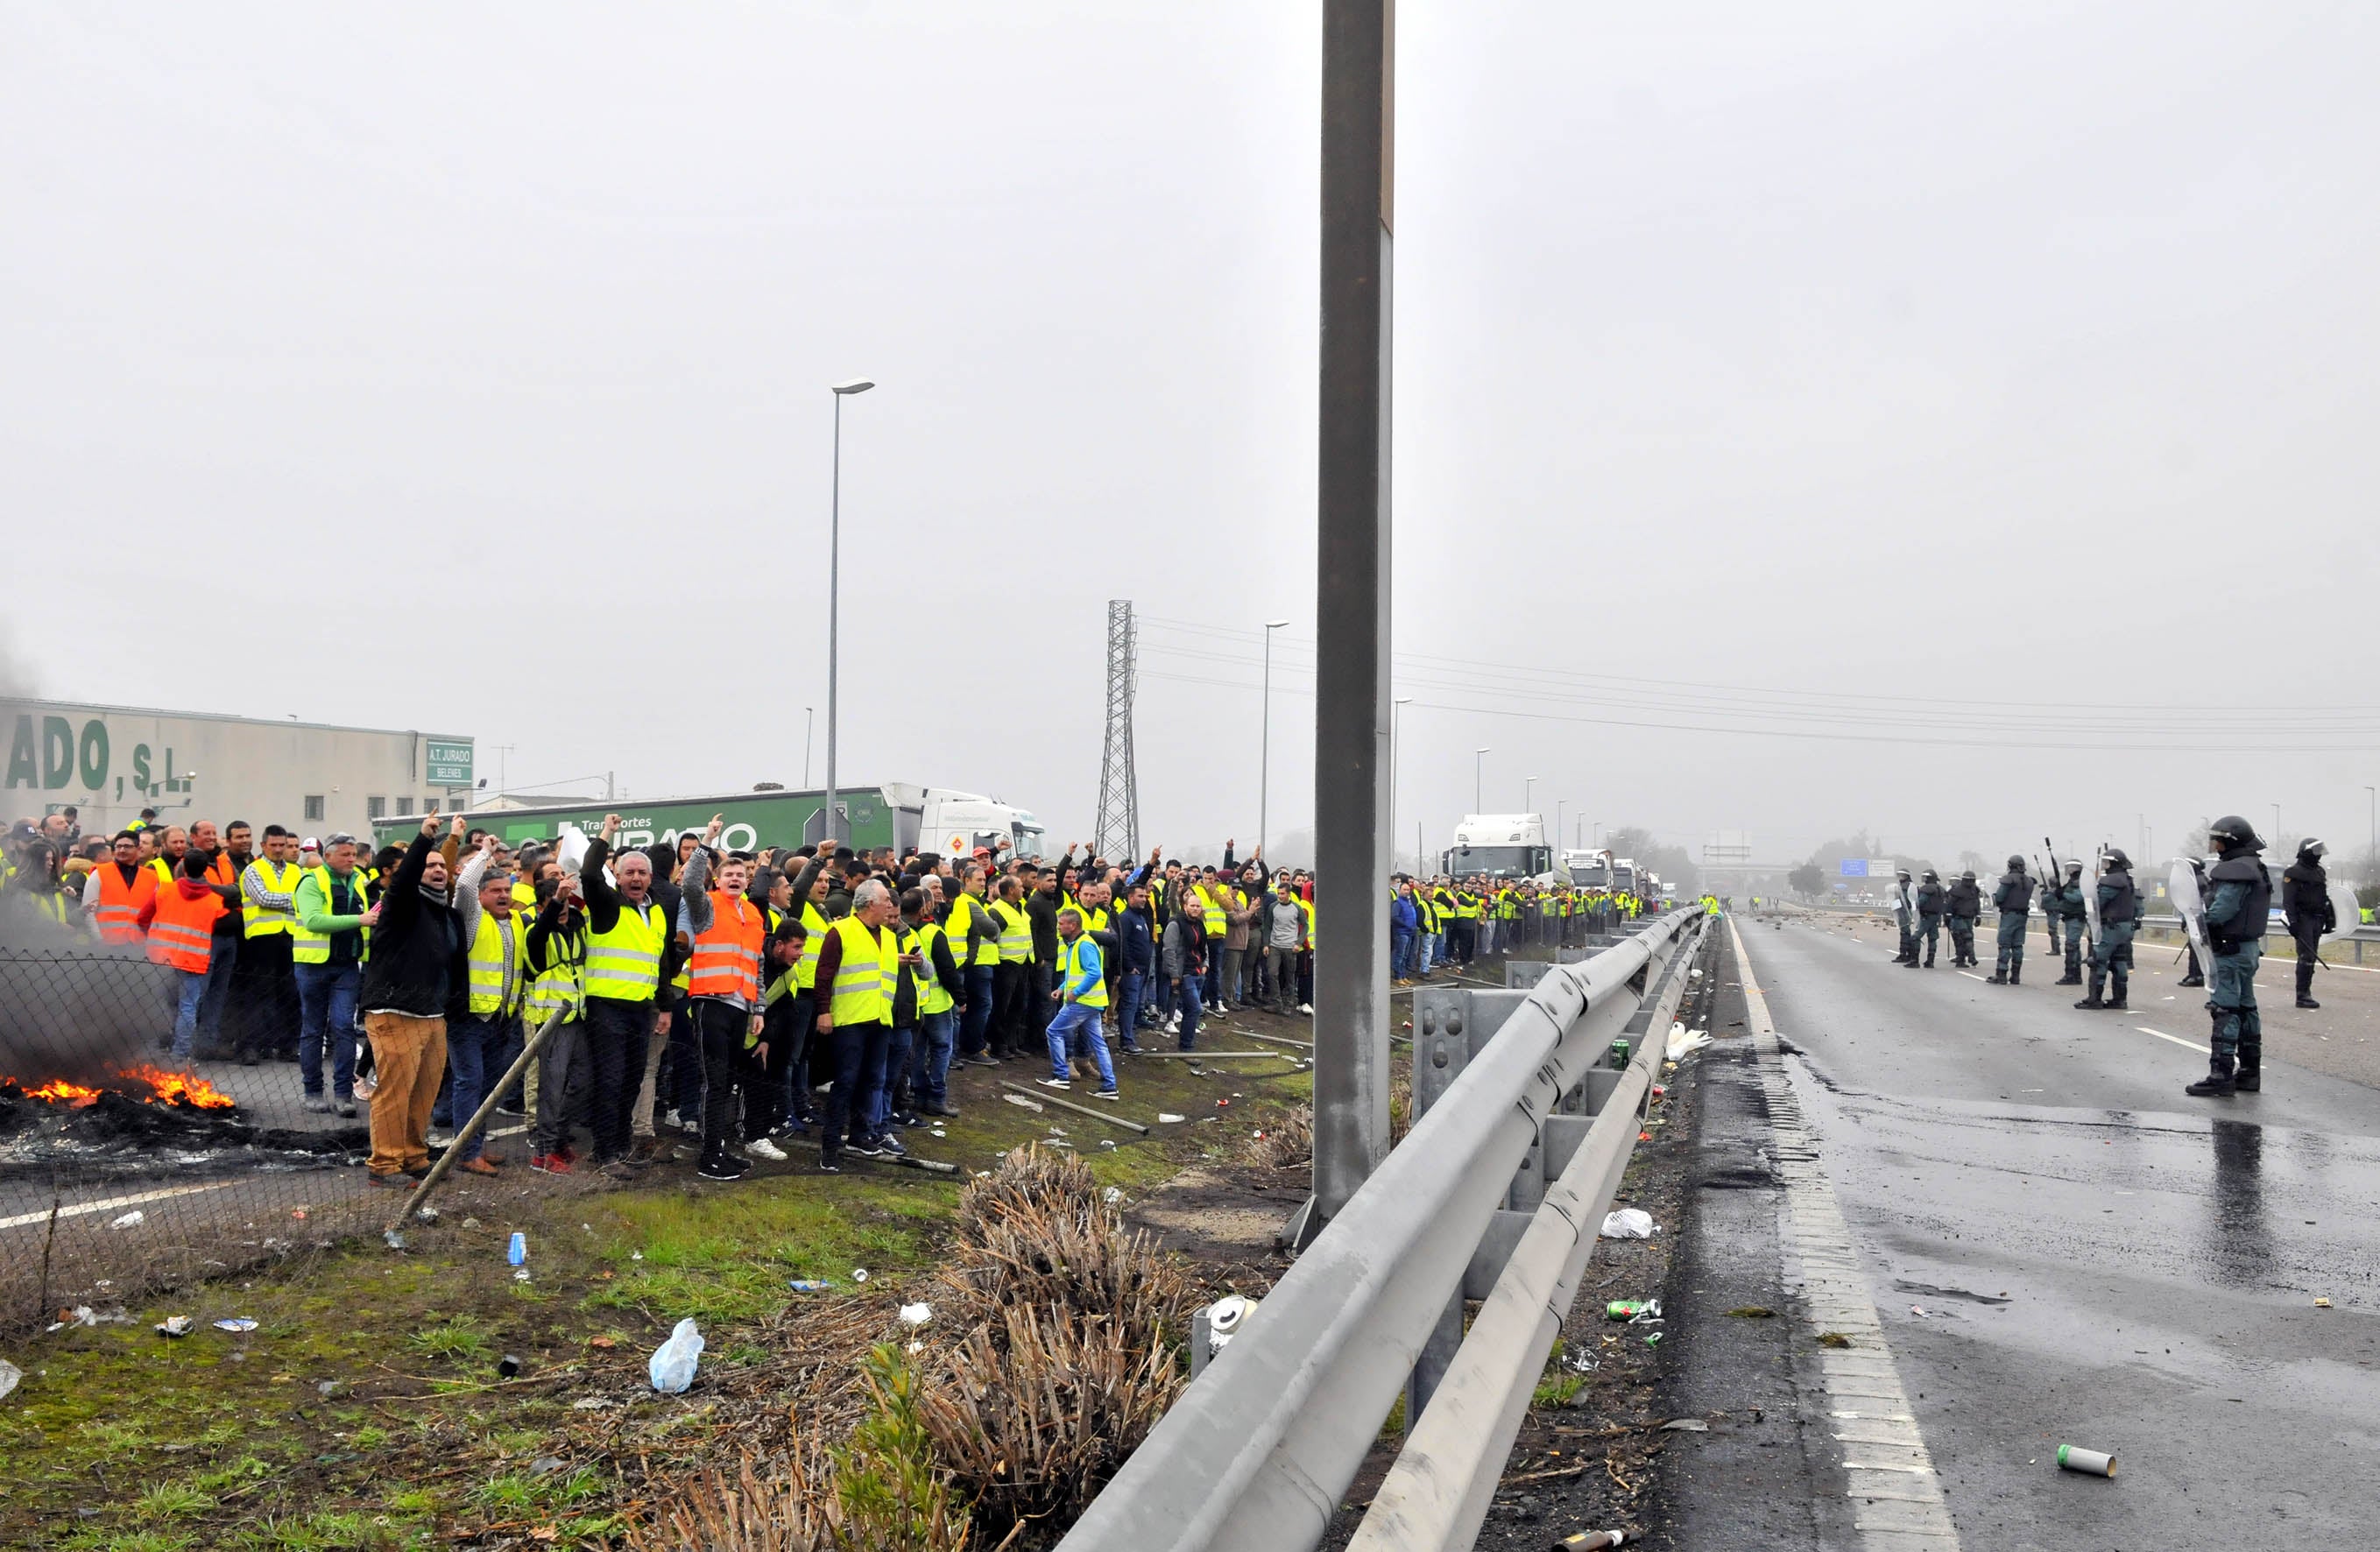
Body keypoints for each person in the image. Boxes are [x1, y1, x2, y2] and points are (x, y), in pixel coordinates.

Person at [357, 814, 465, 1185]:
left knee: (424, 1092)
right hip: (395, 1009)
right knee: (395, 1091)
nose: (438, 870)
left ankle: (414, 1156)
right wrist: (423, 841)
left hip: (433, 1013)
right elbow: (402, 882)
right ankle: (384, 1165)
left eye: (442, 866)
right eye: (429, 866)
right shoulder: (402, 903)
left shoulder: (444, 912)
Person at [579, 815, 671, 1177]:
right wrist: (607, 834)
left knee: (633, 1080)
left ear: (650, 878)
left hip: (640, 1011)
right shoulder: (607, 905)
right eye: (628, 872)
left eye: (641, 873)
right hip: (606, 1009)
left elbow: (661, 963)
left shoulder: (657, 913)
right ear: (616, 877)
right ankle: (604, 1153)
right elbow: (588, 875)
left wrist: (665, 1006)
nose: (635, 878)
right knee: (610, 1081)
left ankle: (619, 1145)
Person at [680, 817, 767, 1182]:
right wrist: (707, 842)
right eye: (728, 875)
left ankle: (719, 1148)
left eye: (740, 876)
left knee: (726, 1083)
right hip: (711, 1003)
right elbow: (687, 882)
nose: (734, 880)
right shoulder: (708, 906)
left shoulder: (753, 914)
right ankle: (708, 1156)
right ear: (717, 879)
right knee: (714, 1082)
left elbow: (757, 964)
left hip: (740, 1007)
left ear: (747, 881)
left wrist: (758, 1009)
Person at [448, 836, 528, 1175]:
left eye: (507, 891)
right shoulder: (472, 918)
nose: (504, 896)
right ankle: (467, 1152)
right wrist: (485, 853)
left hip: (500, 1018)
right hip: (469, 1018)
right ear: (481, 896)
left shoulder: (514, 923)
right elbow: (464, 884)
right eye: (495, 891)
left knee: (485, 1086)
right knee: (469, 1082)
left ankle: (477, 1144)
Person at [811, 879, 899, 1172]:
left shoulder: (888, 936)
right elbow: (823, 975)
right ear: (869, 904)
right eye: (886, 900)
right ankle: (830, 1144)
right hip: (850, 1020)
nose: (890, 905)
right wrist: (824, 1011)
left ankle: (860, 1136)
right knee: (846, 1082)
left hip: (880, 1018)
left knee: (872, 1081)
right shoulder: (840, 932)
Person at [291, 833, 377, 1117]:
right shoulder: (311, 881)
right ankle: (313, 1091)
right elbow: (314, 920)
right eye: (345, 855)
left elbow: (366, 916)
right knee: (314, 1030)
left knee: (343, 1027)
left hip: (347, 965)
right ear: (328, 856)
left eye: (353, 855)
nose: (351, 859)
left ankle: (343, 1094)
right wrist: (360, 920)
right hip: (313, 964)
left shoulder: (356, 881)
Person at [2189, 816, 2272, 1098]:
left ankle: (2220, 1076)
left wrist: (2200, 923)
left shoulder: (2235, 870)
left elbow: (2222, 910)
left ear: (2231, 840)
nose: (2215, 845)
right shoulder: (2253, 866)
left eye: (2218, 840)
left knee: (2225, 1010)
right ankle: (2249, 1074)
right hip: (2247, 949)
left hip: (2230, 950)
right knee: (2247, 1008)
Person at [525, 869, 592, 1174]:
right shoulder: (535, 932)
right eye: (556, 905)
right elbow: (540, 936)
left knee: (582, 1084)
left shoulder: (578, 928)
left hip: (578, 1017)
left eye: (566, 905)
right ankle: (543, 1153)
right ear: (542, 907)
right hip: (551, 1019)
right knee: (551, 1089)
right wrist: (557, 902)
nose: (563, 911)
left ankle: (559, 1139)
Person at [139, 850, 225, 1063]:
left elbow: (142, 918)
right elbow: (215, 927)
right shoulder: (216, 901)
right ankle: (181, 1053)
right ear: (206, 870)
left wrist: (151, 938)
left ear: (184, 867)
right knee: (187, 1007)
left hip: (160, 958)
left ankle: (151, 1050)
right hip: (193, 961)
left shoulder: (165, 890)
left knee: (157, 1004)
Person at [236, 824, 306, 1064]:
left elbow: (306, 900)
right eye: (273, 845)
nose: (278, 849)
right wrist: (295, 900)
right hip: (261, 940)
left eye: (282, 845)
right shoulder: (253, 870)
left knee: (290, 994)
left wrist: (294, 901)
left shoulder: (297, 871)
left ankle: (287, 1046)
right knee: (258, 994)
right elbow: (262, 898)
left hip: (291, 938)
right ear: (263, 846)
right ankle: (251, 1046)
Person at [1042, 906, 1119, 1097]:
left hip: (1083, 1002)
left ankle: (1061, 1075)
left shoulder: (1083, 944)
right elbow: (1078, 972)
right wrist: (1062, 989)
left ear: (1073, 925)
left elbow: (1094, 973)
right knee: (1098, 1043)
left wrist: (1075, 992)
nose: (1058, 927)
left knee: (1053, 1031)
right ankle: (1110, 1086)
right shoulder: (1077, 943)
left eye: (1062, 924)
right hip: (1093, 1002)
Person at [2280, 838, 2332, 1011]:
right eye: (2315, 852)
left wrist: (2329, 917)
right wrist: (2293, 921)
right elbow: (2289, 900)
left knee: (2312, 955)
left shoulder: (2319, 872)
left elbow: (2324, 897)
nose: (2318, 856)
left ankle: (2306, 991)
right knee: (2306, 956)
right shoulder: (2293, 872)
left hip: (2317, 918)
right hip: (2303, 918)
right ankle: (2302, 995)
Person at [82, 829, 156, 944]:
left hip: (138, 947)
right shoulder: (99, 873)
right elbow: (88, 911)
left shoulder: (152, 878)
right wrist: (98, 941)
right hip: (106, 945)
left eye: (127, 846)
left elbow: (155, 915)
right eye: (119, 846)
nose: (122, 850)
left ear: (138, 849)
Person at [1162, 891, 1207, 1048]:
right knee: (1195, 1008)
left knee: (1190, 1009)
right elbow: (1169, 950)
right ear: (1185, 906)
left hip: (1198, 972)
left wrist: (1205, 964)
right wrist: (1174, 974)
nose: (1195, 909)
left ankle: (1186, 1043)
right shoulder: (1175, 924)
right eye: (1192, 905)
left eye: (1198, 906)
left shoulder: (1200, 924)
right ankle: (1187, 1046)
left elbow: (1203, 946)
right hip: (1184, 973)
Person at [1256, 875, 1307, 1015]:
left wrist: (1298, 942)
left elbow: (1305, 925)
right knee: (1272, 973)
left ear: (1289, 894)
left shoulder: (1296, 908)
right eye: (1279, 893)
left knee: (1290, 976)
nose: (1280, 896)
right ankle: (1276, 1002)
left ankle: (1288, 1003)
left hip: (1290, 946)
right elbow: (1268, 926)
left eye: (1283, 894)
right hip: (1275, 945)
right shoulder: (1273, 907)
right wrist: (1266, 944)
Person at [1987, 855, 2030, 984]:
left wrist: (1994, 896)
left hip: (2009, 915)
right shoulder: (2029, 881)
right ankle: (2016, 976)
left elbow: (1999, 897)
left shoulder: (2008, 880)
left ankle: (2001, 974)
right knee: (2018, 945)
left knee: (2005, 945)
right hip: (2023, 916)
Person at [2045, 861, 2087, 985]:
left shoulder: (2080, 883)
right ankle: (2076, 975)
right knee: (2074, 947)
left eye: (2072, 868)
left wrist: (2062, 893)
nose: (2070, 870)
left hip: (2076, 918)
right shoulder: (2071, 883)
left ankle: (2070, 975)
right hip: (2069, 918)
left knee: (2071, 946)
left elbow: (2077, 898)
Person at [1945, 870, 1982, 968]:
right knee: (1964, 938)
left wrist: (1978, 916)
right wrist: (1948, 916)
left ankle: (1962, 959)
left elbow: (1977, 904)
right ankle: (1969, 958)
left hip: (1969, 918)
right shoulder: (1957, 890)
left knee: (1966, 938)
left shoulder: (1975, 890)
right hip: (1958, 918)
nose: (1970, 883)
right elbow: (1950, 904)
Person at [1910, 870, 1946, 969]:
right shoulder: (1941, 889)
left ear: (1929, 878)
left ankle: (1914, 961)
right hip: (1936, 917)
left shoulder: (1926, 889)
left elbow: (1921, 902)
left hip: (1927, 916)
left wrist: (1913, 905)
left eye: (1925, 877)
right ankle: (1930, 961)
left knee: (1915, 937)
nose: (1923, 879)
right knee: (1932, 939)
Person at [1890, 869, 1917, 963]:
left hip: (1905, 912)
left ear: (1907, 876)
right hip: (1903, 911)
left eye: (1902, 875)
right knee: (1905, 933)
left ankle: (1904, 954)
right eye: (1899, 875)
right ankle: (1907, 953)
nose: (1900, 877)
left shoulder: (1906, 886)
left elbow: (1904, 900)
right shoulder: (1906, 885)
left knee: (1905, 933)